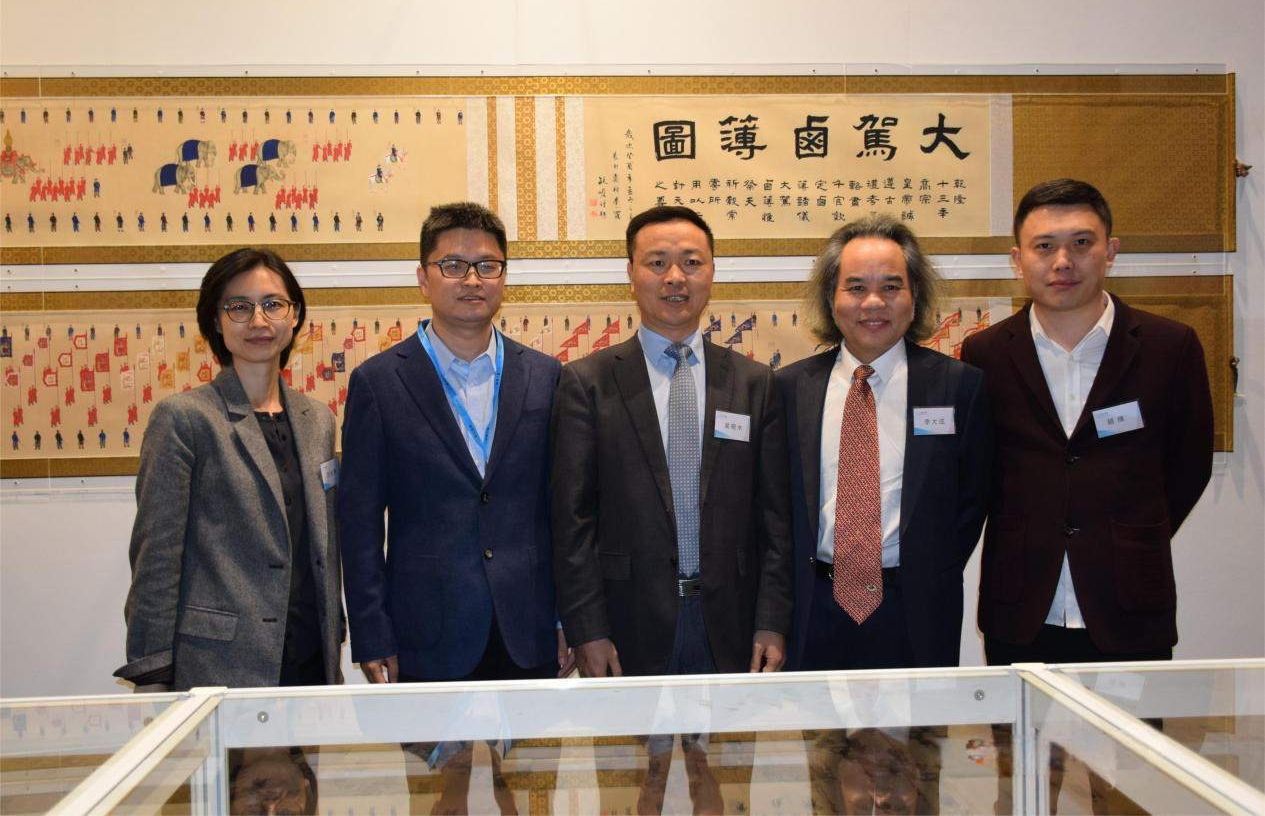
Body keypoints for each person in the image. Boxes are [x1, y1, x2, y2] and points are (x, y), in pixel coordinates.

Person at [960, 179, 1214, 813]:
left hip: (1129, 603)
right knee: (1024, 786)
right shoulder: (985, 353)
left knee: (1127, 786)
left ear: (1111, 251)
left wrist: (1129, 536)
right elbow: (979, 473)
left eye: (1081, 243)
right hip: (1022, 605)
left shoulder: (1169, 346)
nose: (1063, 261)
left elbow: (1189, 464)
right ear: (1017, 259)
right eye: (1044, 246)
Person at [551, 205, 792, 814]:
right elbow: (571, 521)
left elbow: (775, 520)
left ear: (712, 273)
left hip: (730, 625)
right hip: (625, 625)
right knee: (633, 789)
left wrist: (771, 620)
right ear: (632, 274)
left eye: (691, 262)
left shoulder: (755, 383)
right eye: (657, 263)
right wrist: (586, 628)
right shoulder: (587, 382)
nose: (675, 277)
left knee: (724, 788)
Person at [339, 202, 570, 815]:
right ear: (423, 277)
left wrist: (566, 618)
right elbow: (359, 524)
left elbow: (563, 511)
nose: (472, 279)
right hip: (425, 630)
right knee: (439, 800)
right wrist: (371, 632)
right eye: (454, 265)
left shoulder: (545, 376)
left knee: (529, 795)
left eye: (487, 265)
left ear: (504, 277)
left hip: (528, 628)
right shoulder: (379, 382)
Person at [778, 216, 992, 814]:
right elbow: (776, 508)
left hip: (914, 611)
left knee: (917, 776)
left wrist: (923, 570)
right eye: (856, 287)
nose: (873, 302)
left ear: (914, 296)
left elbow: (971, 501)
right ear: (831, 299)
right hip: (815, 613)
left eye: (891, 286)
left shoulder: (960, 387)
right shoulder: (789, 389)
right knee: (827, 778)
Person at [115, 248, 343, 692]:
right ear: (216, 322)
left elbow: (324, 544)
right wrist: (152, 670)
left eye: (273, 304)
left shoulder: (318, 420)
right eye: (239, 307)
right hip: (218, 664)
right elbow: (156, 556)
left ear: (294, 316)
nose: (258, 321)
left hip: (310, 660)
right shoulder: (185, 419)